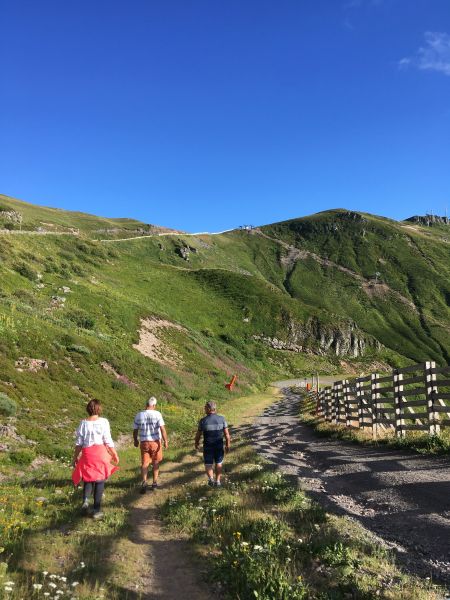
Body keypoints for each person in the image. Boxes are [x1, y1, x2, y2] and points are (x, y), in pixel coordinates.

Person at [72, 399, 119, 519]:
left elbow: (79, 444)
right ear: (99, 409)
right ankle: (96, 510)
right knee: (99, 479)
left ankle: (85, 501)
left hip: (87, 453)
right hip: (100, 453)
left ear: (88, 409)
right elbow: (107, 440)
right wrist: (114, 454)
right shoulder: (103, 422)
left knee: (88, 478)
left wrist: (75, 457)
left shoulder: (83, 423)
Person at [133, 396, 168, 493]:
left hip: (144, 442)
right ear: (154, 405)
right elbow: (162, 429)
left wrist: (135, 440)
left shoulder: (139, 415)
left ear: (146, 404)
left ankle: (144, 481)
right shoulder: (157, 414)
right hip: (155, 442)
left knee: (145, 463)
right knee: (155, 462)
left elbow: (135, 430)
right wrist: (165, 441)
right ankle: (154, 483)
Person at [195, 401, 230, 487]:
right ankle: (217, 481)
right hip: (218, 445)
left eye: (205, 407)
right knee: (219, 463)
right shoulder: (222, 419)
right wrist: (227, 445)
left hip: (208, 446)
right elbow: (227, 435)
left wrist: (196, 443)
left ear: (209, 409)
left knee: (208, 464)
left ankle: (211, 479)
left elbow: (198, 434)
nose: (204, 409)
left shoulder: (203, 421)